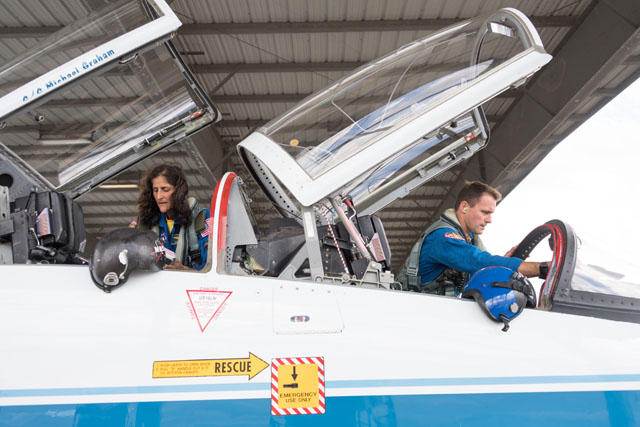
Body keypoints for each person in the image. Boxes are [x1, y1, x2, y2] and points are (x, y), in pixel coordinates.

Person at [400, 181, 548, 295]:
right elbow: (479, 262)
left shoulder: (468, 237)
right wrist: (540, 268)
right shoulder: (443, 237)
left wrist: (502, 263)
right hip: (416, 313)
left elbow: (480, 269)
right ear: (464, 207)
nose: (489, 220)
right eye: (485, 212)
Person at [133, 164, 209, 271]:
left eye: (165, 189)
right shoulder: (144, 223)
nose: (159, 196)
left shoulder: (201, 220)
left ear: (178, 191)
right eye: (155, 190)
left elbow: (210, 268)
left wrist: (184, 270)